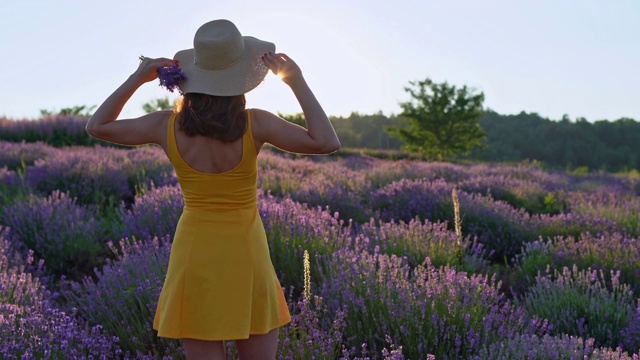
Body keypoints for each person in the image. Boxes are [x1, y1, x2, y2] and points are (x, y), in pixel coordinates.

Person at [86, 19, 340, 360]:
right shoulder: (256, 123)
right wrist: (296, 81)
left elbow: (97, 126)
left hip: (195, 254)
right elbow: (326, 141)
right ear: (241, 81)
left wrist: (138, 77)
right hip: (246, 252)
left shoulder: (166, 126)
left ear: (195, 75)